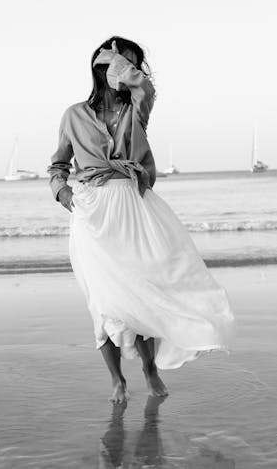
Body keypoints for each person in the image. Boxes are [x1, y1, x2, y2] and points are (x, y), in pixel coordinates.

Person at [47, 36, 235, 403]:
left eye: (131, 65)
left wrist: (118, 62)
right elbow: (57, 165)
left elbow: (143, 87)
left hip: (133, 207)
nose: (126, 71)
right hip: (92, 213)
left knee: (142, 291)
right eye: (118, 63)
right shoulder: (73, 115)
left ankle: (150, 369)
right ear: (101, 67)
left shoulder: (138, 108)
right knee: (103, 302)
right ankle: (117, 379)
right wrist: (64, 193)